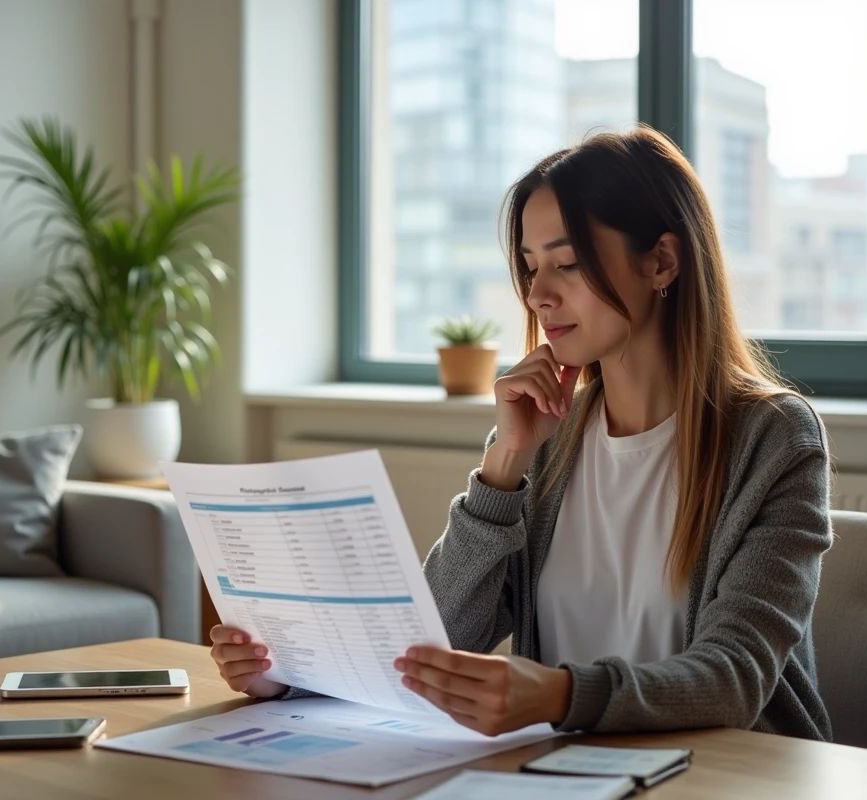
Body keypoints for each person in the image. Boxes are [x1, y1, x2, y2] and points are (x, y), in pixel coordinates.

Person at [209, 126, 833, 741]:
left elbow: (733, 679)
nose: (538, 294)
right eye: (531, 267)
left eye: (567, 263)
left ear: (661, 261)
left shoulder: (773, 439)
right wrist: (285, 674)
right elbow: (440, 641)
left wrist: (560, 695)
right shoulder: (552, 439)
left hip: (727, 779)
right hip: (569, 777)